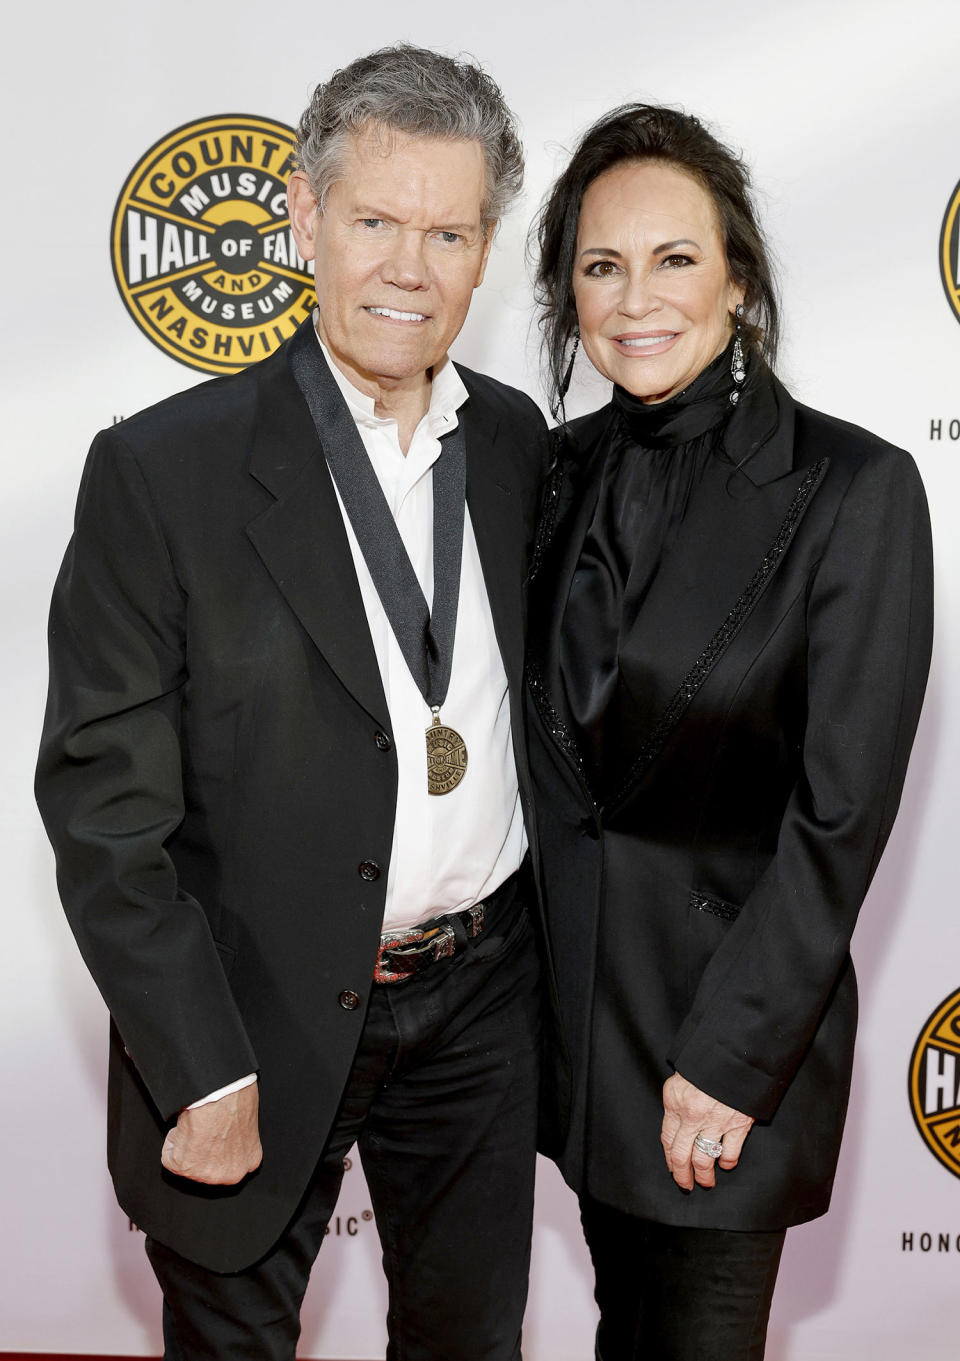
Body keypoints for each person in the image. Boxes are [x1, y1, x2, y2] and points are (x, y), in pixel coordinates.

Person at [35, 45, 550, 1361]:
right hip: (250, 1011)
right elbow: (104, 814)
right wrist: (198, 1062)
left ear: (485, 252)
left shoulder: (518, 451)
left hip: (481, 1009)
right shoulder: (163, 474)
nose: (408, 266)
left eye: (447, 231)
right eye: (375, 220)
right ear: (308, 220)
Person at [527, 104, 933, 1360]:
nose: (634, 298)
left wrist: (733, 1054)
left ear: (739, 281)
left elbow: (841, 814)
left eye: (675, 258)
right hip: (578, 1041)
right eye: (602, 265)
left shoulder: (852, 490)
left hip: (725, 1055)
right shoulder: (547, 472)